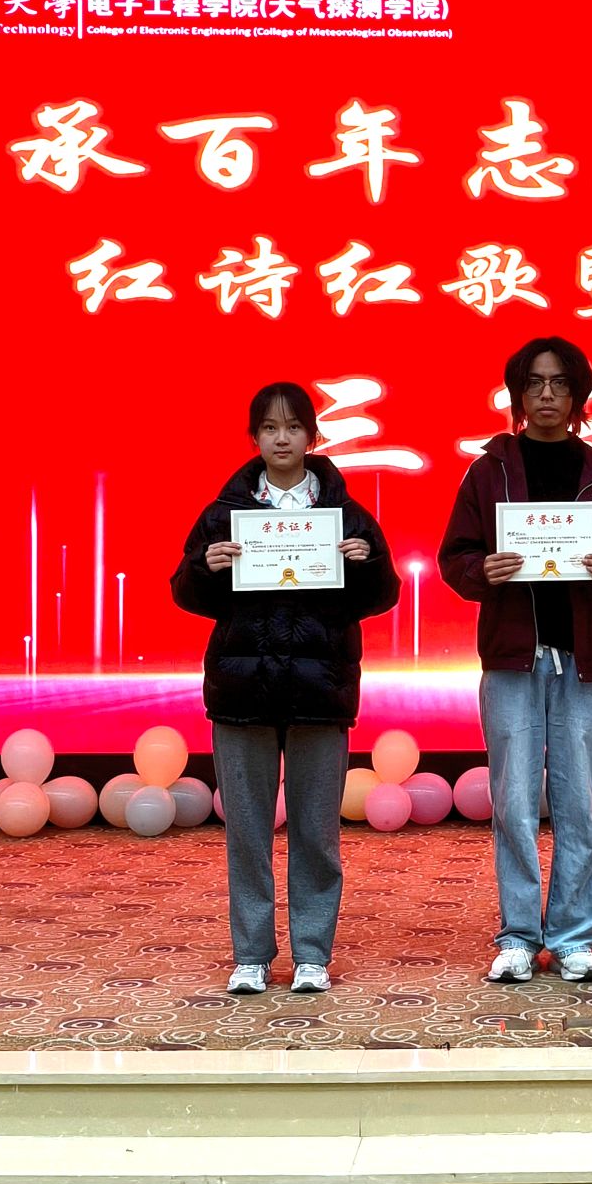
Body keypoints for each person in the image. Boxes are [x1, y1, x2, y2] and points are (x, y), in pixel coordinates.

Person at [171, 382, 398, 995]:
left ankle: (311, 954)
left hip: (320, 689)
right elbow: (185, 593)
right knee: (247, 832)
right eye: (269, 428)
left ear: (312, 437)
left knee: (316, 831)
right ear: (254, 438)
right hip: (241, 691)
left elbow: (383, 595)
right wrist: (205, 569)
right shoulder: (223, 513)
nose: (281, 438)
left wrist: (367, 563)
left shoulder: (346, 514)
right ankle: (250, 955)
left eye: (293, 427)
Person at [438, 336, 592, 984]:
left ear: (579, 396)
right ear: (517, 394)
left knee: (578, 800)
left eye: (560, 384)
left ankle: (576, 935)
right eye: (534, 383)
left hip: (580, 658)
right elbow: (454, 557)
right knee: (514, 801)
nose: (547, 395)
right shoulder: (489, 471)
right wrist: (482, 569)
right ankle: (519, 936)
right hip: (511, 658)